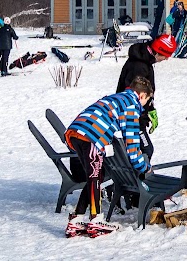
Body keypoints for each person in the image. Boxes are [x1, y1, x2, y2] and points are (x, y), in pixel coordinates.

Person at [64, 76, 153, 238]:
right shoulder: (132, 105)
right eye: (147, 100)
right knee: (95, 177)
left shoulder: (117, 97)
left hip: (77, 131)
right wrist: (145, 168)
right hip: (92, 135)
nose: (145, 104)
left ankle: (76, 219)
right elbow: (133, 147)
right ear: (142, 95)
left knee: (97, 175)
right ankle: (96, 220)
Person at [115, 34, 176, 161]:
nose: (166, 59)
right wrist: (141, 118)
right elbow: (133, 96)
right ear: (158, 51)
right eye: (165, 55)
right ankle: (136, 178)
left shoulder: (145, 61)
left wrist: (150, 108)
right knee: (145, 150)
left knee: (140, 151)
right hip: (132, 118)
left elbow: (145, 92)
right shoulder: (139, 67)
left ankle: (134, 177)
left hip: (136, 115)